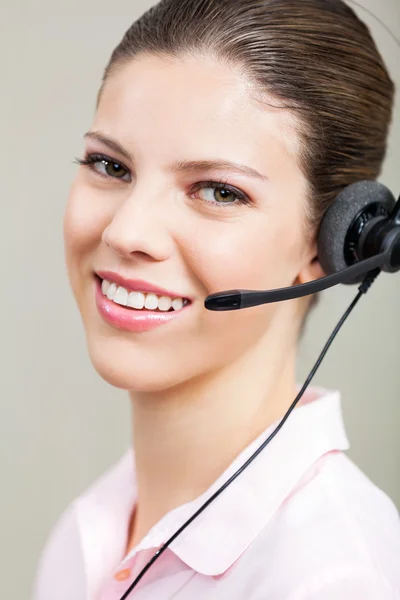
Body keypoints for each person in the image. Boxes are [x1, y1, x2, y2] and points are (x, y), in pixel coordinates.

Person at [32, 0, 400, 598]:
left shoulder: (333, 579)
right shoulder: (88, 534)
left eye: (218, 191)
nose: (126, 232)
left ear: (338, 241)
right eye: (110, 165)